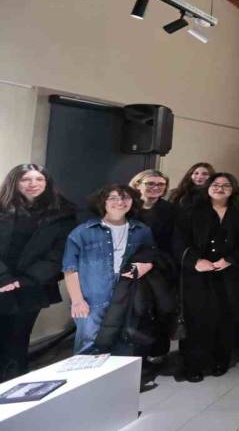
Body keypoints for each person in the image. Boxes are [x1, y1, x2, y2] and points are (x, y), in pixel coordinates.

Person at [173, 173, 239, 382]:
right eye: (215, 184)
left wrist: (231, 259)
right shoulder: (190, 210)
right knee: (197, 318)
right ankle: (193, 365)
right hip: (198, 274)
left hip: (231, 273)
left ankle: (220, 360)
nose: (220, 188)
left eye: (225, 185)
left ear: (233, 189)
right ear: (207, 187)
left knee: (226, 317)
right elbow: (178, 240)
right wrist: (195, 261)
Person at [0, 164, 76, 382]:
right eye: (26, 179)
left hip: (32, 285)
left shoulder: (63, 213)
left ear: (47, 183)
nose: (33, 184)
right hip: (1, 281)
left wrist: (26, 280)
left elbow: (59, 252)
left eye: (39, 179)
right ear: (14, 182)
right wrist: (4, 277)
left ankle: (14, 383)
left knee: (18, 339)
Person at [63, 184, 155, 353]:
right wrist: (77, 300)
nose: (120, 202)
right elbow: (70, 269)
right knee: (89, 346)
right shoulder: (82, 232)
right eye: (113, 198)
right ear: (102, 202)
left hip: (128, 295)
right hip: (92, 299)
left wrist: (146, 265)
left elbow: (152, 257)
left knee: (125, 343)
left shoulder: (142, 230)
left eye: (125, 198)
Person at [128, 169, 176, 365]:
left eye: (160, 184)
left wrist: (152, 262)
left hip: (160, 266)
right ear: (137, 184)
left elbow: (174, 242)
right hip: (130, 266)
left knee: (162, 309)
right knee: (137, 312)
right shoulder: (126, 206)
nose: (155, 187)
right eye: (150, 183)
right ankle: (137, 358)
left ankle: (158, 352)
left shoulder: (171, 210)